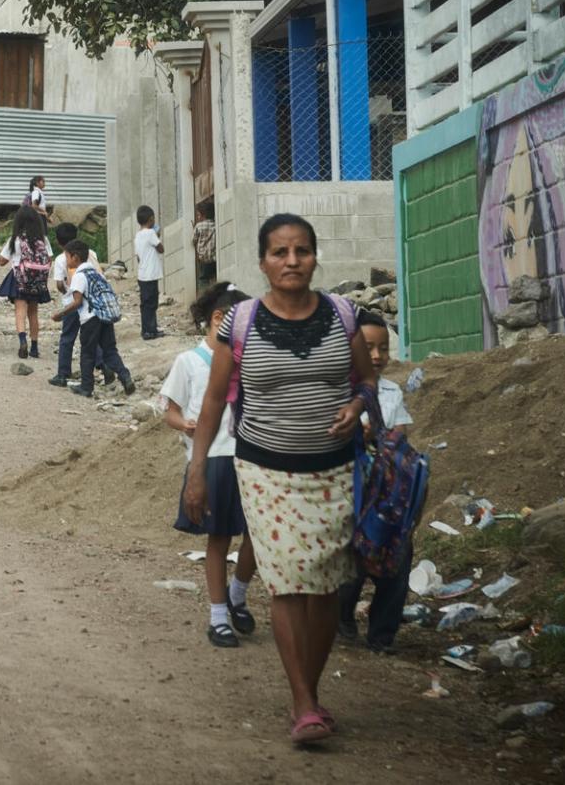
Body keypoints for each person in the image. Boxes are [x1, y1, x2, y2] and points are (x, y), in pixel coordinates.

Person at [184, 213, 376, 747]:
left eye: (302, 251)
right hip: (265, 472)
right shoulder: (239, 323)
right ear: (263, 260)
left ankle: (308, 692)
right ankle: (303, 703)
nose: (292, 262)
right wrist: (196, 471)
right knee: (289, 581)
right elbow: (211, 404)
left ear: (315, 256)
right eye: (279, 253)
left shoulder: (343, 315)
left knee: (327, 589)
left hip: (336, 472)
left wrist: (358, 403)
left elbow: (368, 379)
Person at [165, 280, 259, 649]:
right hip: (214, 458)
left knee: (257, 535)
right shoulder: (188, 362)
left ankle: (238, 593)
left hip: (250, 456)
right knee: (219, 538)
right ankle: (218, 616)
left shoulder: (247, 359)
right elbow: (171, 411)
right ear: (218, 319)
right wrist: (185, 424)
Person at [336, 309, 414, 654]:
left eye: (383, 348)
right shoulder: (338, 390)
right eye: (368, 348)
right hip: (348, 489)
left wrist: (384, 435)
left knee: (397, 556)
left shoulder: (390, 391)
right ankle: (341, 620)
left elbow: (402, 433)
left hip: (385, 492)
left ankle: (383, 635)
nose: (378, 356)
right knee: (351, 558)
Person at [53, 241, 132, 398]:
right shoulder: (96, 274)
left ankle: (86, 386)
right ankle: (125, 376)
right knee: (110, 351)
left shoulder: (79, 276)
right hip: (105, 317)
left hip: (90, 319)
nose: (66, 260)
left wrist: (60, 315)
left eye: (67, 256)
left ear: (74, 257)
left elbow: (77, 302)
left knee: (87, 353)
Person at [0, 206, 53, 359]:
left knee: (20, 312)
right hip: (37, 282)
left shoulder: (15, 240)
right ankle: (34, 347)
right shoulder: (44, 239)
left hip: (19, 280)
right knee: (33, 313)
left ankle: (23, 342)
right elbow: (50, 259)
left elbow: (1, 261)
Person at [46, 222, 82, 388]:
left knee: (67, 338)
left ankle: (63, 374)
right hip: (88, 304)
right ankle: (103, 365)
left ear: (59, 242)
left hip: (70, 304)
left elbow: (59, 284)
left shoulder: (61, 259)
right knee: (90, 337)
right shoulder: (90, 253)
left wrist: (65, 291)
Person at [134, 205, 165, 340]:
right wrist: (158, 235)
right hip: (151, 275)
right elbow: (161, 249)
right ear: (151, 219)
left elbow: (138, 257)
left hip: (142, 274)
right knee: (152, 304)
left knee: (145, 304)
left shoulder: (138, 235)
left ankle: (147, 329)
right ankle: (150, 331)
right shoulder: (151, 233)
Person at [194, 201, 218, 291]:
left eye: (198, 215)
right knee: (214, 278)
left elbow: (193, 240)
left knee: (203, 279)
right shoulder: (216, 224)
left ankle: (205, 298)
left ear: (203, 215)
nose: (198, 217)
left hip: (203, 259)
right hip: (214, 259)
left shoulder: (198, 226)